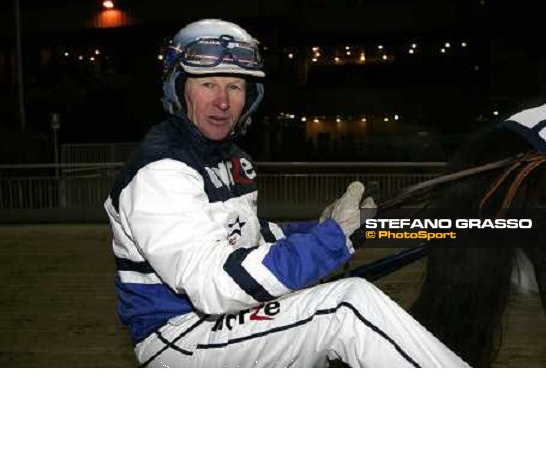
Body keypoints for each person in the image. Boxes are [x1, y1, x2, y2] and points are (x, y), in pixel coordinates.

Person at [104, 18, 468, 368]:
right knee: (347, 306)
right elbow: (213, 285)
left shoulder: (233, 160)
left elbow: (251, 239)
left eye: (235, 86)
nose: (223, 101)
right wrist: (330, 240)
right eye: (208, 84)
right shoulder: (161, 171)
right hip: (181, 339)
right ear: (178, 89)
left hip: (221, 323)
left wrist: (321, 228)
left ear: (250, 98)